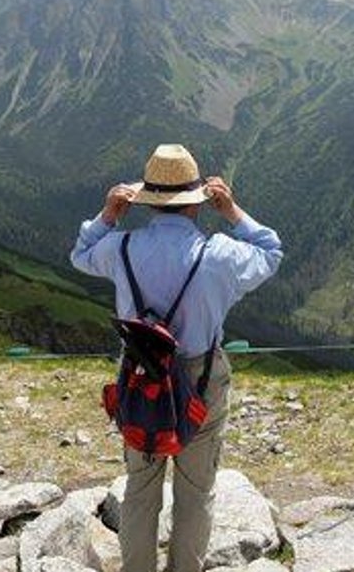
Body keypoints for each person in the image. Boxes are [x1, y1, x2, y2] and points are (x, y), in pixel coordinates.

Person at [70, 143, 282, 572]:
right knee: (196, 491)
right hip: (201, 378)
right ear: (197, 203)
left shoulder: (121, 247)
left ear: (147, 200)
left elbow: (81, 255)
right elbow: (270, 250)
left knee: (141, 489)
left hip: (140, 379)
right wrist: (233, 211)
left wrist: (108, 214)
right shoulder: (220, 254)